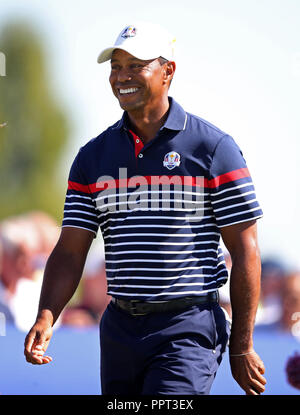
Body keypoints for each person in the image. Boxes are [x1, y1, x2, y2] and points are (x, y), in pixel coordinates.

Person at [24, 22, 266, 395]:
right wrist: (47, 313)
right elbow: (71, 250)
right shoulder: (93, 156)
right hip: (119, 327)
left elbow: (245, 249)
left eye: (136, 65)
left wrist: (242, 345)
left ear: (168, 71)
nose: (123, 76)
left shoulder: (214, 148)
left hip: (188, 326)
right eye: (116, 67)